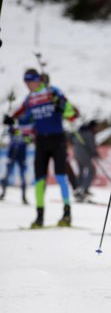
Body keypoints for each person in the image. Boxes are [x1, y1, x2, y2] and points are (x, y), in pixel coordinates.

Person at [4, 69, 78, 228]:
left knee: (60, 177)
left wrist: (62, 106)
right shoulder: (30, 99)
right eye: (26, 83)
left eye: (30, 82)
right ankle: (39, 217)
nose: (28, 85)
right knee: (39, 181)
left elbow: (71, 114)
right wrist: (12, 123)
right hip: (41, 142)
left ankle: (67, 214)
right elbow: (27, 123)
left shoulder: (53, 92)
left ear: (38, 80)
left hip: (57, 139)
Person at [0, 112, 33, 204]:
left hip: (21, 155)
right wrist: (7, 121)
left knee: (23, 176)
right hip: (12, 154)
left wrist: (22, 135)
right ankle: (3, 192)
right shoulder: (14, 126)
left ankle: (23, 196)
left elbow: (29, 139)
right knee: (7, 174)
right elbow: (8, 130)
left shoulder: (27, 129)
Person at [70, 120, 99, 202]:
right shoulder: (89, 133)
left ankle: (77, 190)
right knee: (92, 170)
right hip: (83, 155)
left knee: (81, 171)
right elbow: (91, 145)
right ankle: (84, 190)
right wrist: (95, 154)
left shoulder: (79, 132)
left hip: (76, 154)